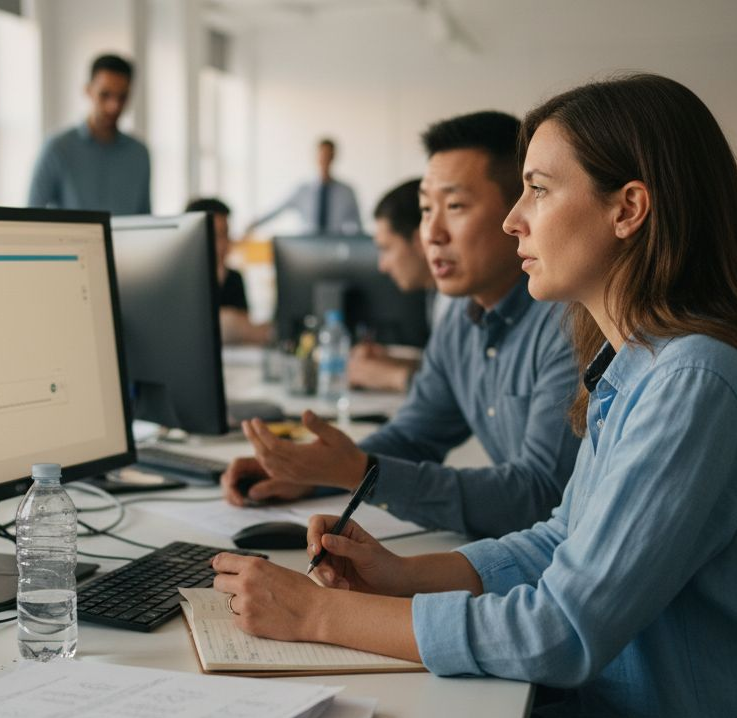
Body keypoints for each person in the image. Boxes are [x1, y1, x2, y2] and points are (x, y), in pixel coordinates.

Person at [211, 74, 737, 718]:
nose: (515, 218)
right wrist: (402, 575)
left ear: (628, 208)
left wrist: (319, 615)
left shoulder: (694, 382)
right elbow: (560, 541)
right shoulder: (637, 361)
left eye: (539, 190)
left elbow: (562, 631)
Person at [221, 112, 580, 539]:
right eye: (427, 209)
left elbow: (540, 495)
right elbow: (414, 436)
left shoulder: (569, 324)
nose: (432, 232)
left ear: (518, 213)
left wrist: (361, 472)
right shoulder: (461, 320)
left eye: (456, 206)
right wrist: (312, 468)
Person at [347, 178, 445, 392]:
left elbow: (463, 391)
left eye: (387, 248)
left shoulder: (458, 301)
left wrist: (394, 376)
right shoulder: (435, 296)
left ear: (420, 240)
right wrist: (395, 363)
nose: (382, 266)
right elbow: (451, 372)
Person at [27, 54, 150, 215]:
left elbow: (145, 219)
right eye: (105, 95)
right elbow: (32, 215)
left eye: (122, 97)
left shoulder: (139, 154)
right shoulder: (58, 148)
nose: (113, 106)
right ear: (88, 91)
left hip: (128, 241)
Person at [185, 198, 271, 346]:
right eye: (217, 236)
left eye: (226, 235)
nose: (225, 244)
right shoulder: (180, 281)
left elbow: (245, 328)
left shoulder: (233, 278)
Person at [246, 138, 362, 236]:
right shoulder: (302, 190)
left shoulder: (347, 192)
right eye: (322, 155)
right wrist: (253, 225)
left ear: (334, 157)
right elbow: (277, 209)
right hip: (306, 248)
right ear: (316, 157)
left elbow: (358, 227)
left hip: (335, 248)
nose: (325, 160)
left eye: (328, 156)